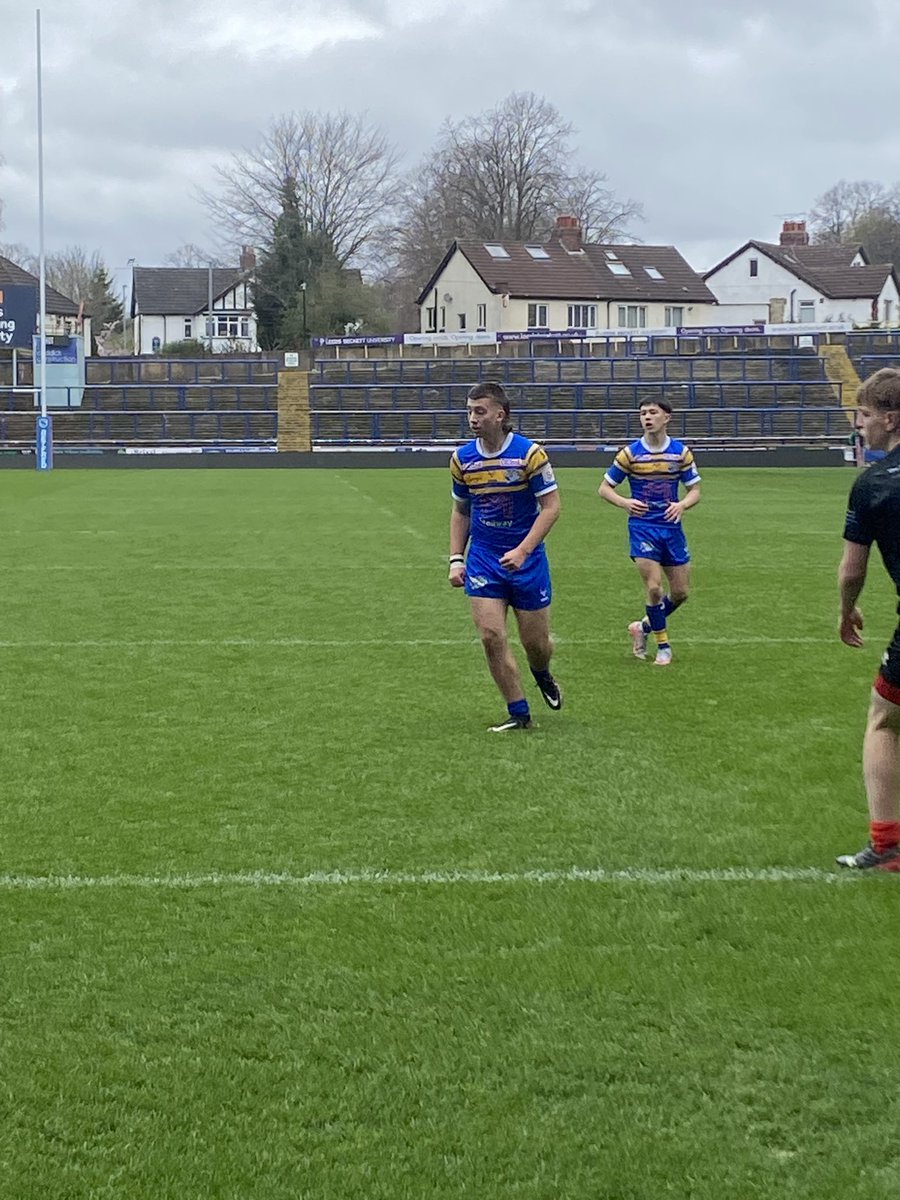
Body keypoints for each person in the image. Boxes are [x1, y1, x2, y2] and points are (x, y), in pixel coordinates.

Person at [448, 381, 562, 732]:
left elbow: (552, 507)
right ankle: (519, 712)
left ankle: (541, 673)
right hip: (484, 558)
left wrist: (524, 549)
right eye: (469, 411)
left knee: (536, 644)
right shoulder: (462, 459)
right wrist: (456, 557)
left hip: (527, 560)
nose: (473, 418)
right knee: (491, 636)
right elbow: (461, 510)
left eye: (479, 411)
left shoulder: (530, 455)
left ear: (501, 414)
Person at [835, 368, 900, 871]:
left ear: (890, 419)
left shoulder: (872, 484)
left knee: (885, 717)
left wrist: (846, 612)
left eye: (864, 414)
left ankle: (886, 846)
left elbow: (852, 570)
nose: (859, 424)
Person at [598, 398, 701, 666]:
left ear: (666, 418)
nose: (647, 417)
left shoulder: (680, 453)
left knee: (680, 593)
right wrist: (625, 502)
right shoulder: (630, 454)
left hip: (672, 528)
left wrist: (682, 505)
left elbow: (695, 491)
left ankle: (642, 627)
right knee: (654, 588)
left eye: (653, 412)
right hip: (643, 528)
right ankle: (663, 646)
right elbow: (605, 488)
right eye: (643, 413)